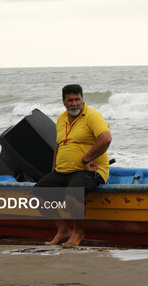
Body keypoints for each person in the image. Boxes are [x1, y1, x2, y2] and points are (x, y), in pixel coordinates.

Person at [33, 84, 112, 246]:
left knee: (72, 193)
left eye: (77, 99)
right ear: (64, 102)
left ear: (82, 99)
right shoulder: (61, 118)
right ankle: (63, 230)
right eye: (70, 100)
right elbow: (58, 145)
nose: (74, 103)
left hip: (90, 170)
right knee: (36, 195)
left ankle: (78, 232)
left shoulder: (92, 116)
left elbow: (106, 139)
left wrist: (86, 159)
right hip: (63, 171)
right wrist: (53, 169)